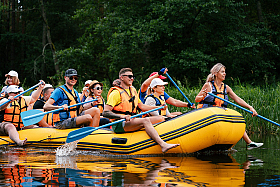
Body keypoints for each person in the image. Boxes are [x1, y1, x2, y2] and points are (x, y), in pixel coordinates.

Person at [103, 68, 179, 153]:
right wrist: (122, 116)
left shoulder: (133, 90)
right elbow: (105, 112)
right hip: (119, 123)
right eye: (129, 76)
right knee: (145, 120)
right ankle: (163, 145)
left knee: (160, 118)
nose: (132, 78)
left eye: (132, 77)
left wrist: (158, 107)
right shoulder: (116, 93)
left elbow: (142, 106)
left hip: (131, 120)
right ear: (122, 77)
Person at [195, 63, 263, 149]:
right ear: (216, 73)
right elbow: (197, 99)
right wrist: (203, 96)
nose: (225, 74)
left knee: (237, 119)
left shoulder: (226, 88)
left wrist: (250, 107)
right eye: (222, 72)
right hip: (207, 113)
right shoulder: (208, 85)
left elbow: (237, 99)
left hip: (219, 113)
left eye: (225, 72)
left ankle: (249, 143)